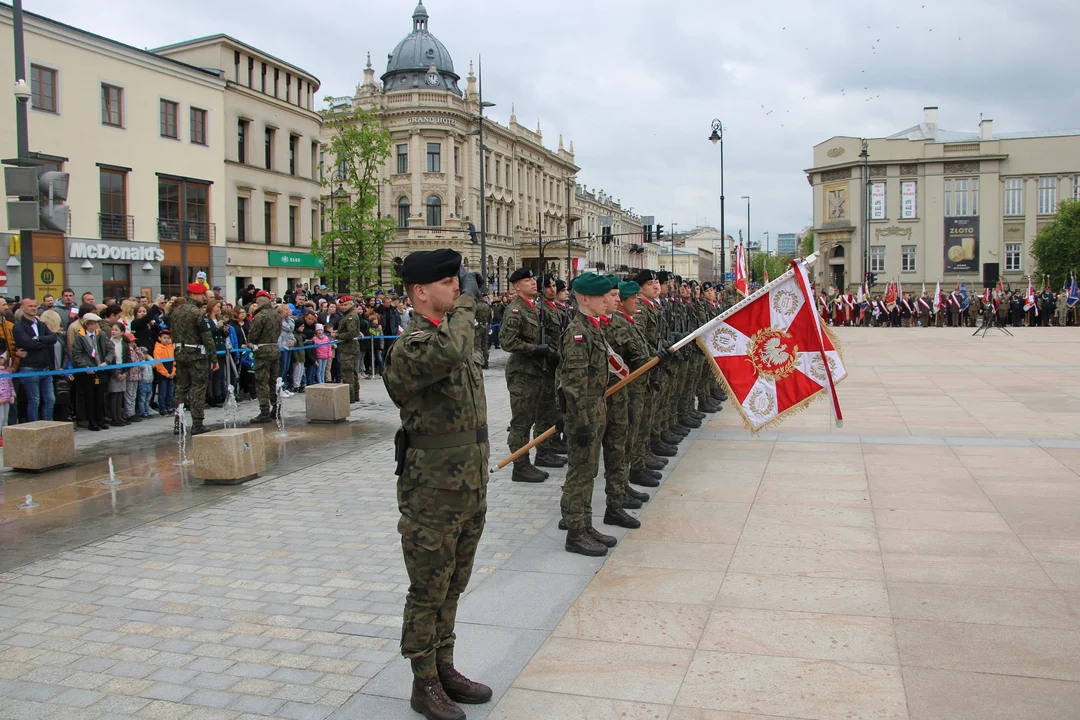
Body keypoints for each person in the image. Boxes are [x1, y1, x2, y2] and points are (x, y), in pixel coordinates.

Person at [382, 249, 492, 720]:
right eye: (449, 282)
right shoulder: (414, 346)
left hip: (468, 483)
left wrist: (465, 302)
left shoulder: (451, 333)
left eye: (458, 282)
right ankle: (422, 682)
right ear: (421, 292)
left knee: (453, 585)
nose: (458, 288)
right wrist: (467, 301)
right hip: (432, 491)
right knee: (427, 589)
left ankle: (445, 666)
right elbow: (452, 350)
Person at [558, 272, 618, 556]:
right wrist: (580, 422)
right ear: (585, 299)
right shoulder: (578, 333)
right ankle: (574, 532)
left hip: (596, 407)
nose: (607, 300)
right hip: (584, 412)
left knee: (590, 470)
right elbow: (573, 384)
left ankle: (585, 523)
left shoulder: (594, 327)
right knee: (579, 472)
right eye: (601, 296)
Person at [500, 267, 550, 483]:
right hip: (522, 372)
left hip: (535, 371)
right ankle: (520, 466)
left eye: (533, 279)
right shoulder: (515, 310)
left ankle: (529, 461)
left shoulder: (533, 308)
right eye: (527, 280)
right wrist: (534, 349)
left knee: (531, 419)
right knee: (521, 422)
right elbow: (507, 341)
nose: (533, 282)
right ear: (516, 286)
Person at [170, 283, 218, 435]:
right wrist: (213, 357)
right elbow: (207, 337)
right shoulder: (197, 313)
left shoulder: (176, 311)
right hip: (196, 355)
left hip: (180, 352)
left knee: (181, 388)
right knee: (198, 388)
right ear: (194, 295)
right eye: (202, 295)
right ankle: (197, 423)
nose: (204, 298)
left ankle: (178, 422)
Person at [13, 298, 59, 422]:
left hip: (45, 367)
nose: (33, 308)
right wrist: (43, 342)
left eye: (35, 306)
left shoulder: (41, 324)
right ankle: (34, 427)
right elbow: (27, 344)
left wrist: (37, 339)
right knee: (34, 400)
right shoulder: (19, 326)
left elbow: (53, 338)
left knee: (50, 399)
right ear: (22, 308)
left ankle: (47, 425)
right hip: (30, 367)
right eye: (30, 306)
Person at [70, 313, 113, 431]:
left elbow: (110, 349)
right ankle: (92, 421)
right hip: (88, 372)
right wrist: (86, 367)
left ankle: (100, 419)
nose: (96, 326)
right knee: (90, 397)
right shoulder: (80, 336)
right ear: (87, 324)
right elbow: (76, 354)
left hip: (101, 369)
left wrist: (106, 362)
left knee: (100, 396)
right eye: (94, 323)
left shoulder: (101, 334)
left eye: (97, 323)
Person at [247, 291, 280, 423]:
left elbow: (253, 335)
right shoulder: (277, 315)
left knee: (262, 382)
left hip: (262, 351)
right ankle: (276, 408)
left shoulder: (260, 316)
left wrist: (251, 342)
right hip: (275, 349)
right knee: (274, 381)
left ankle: (264, 411)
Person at [336, 296, 362, 402]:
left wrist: (337, 335)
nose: (343, 307)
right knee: (352, 371)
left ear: (351, 304)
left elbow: (352, 333)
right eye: (342, 305)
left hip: (349, 347)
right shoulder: (347, 315)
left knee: (347, 373)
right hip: (348, 347)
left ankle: (350, 396)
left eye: (346, 304)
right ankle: (354, 394)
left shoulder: (351, 316)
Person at [106, 322, 130, 426]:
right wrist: (115, 374)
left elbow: (128, 358)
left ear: (122, 332)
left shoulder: (124, 344)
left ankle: (119, 416)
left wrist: (125, 372)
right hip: (113, 371)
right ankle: (114, 417)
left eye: (116, 330)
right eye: (113, 330)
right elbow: (109, 359)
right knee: (114, 395)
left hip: (122, 370)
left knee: (120, 394)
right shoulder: (109, 343)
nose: (113, 332)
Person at [474, 293, 491, 370]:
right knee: (485, 345)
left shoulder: (477, 305)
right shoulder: (487, 306)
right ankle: (486, 362)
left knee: (477, 345)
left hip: (478, 326)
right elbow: (490, 317)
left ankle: (479, 361)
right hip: (486, 326)